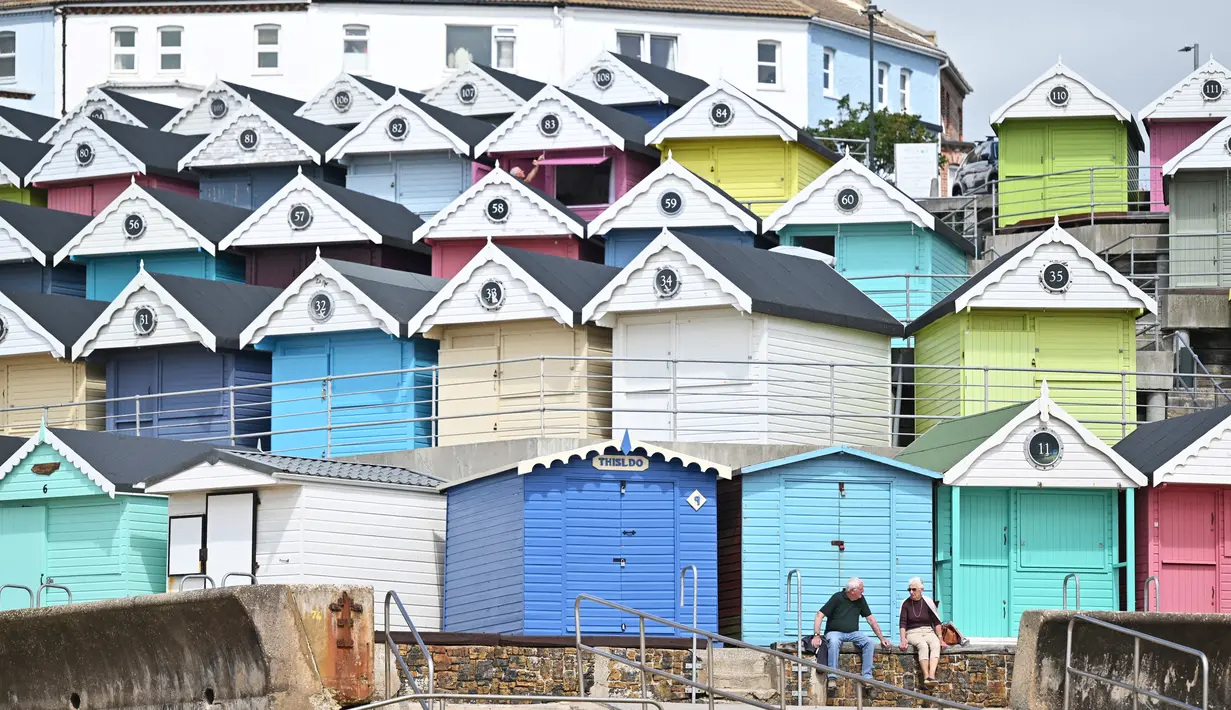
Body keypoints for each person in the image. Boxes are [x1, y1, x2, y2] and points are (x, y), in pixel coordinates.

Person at [810, 577, 891, 697]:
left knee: (869, 642)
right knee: (833, 641)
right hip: (834, 632)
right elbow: (819, 615)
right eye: (861, 589)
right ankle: (832, 677)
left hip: (853, 633)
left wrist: (882, 638)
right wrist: (816, 635)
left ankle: (867, 677)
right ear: (853, 590)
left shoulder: (860, 599)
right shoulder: (837, 597)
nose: (863, 592)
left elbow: (871, 619)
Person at [898, 577, 946, 685]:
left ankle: (932, 675)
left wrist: (941, 639)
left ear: (921, 590)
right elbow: (902, 624)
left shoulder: (928, 602)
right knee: (923, 645)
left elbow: (937, 622)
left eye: (914, 589)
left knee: (935, 644)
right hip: (912, 632)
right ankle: (926, 677)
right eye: (909, 590)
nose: (911, 592)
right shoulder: (906, 604)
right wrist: (903, 639)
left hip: (928, 630)